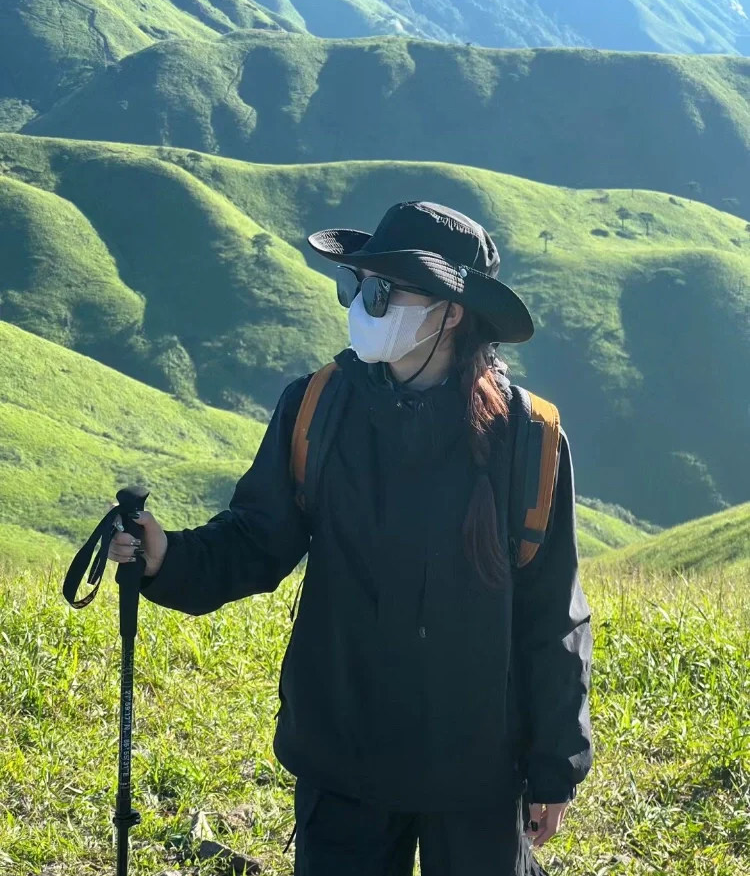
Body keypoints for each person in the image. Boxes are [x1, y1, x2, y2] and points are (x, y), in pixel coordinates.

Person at [108, 201, 593, 876]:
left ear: (452, 312)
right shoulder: (317, 405)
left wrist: (554, 765)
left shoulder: (530, 437)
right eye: (356, 286)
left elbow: (553, 612)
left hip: (479, 768)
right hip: (344, 755)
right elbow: (258, 538)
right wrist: (169, 557)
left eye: (384, 291)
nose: (363, 306)